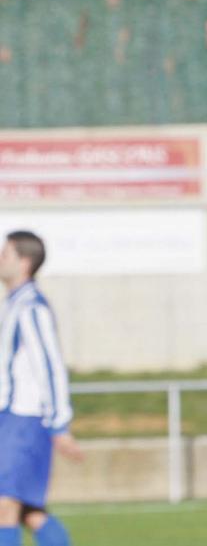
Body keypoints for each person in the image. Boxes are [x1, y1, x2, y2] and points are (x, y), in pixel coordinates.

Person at [0, 231, 81, 546]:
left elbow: (50, 366)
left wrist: (60, 424)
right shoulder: (12, 304)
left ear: (24, 262)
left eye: (5, 253)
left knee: (5, 506)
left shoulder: (32, 307)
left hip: (25, 420)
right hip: (9, 419)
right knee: (29, 512)